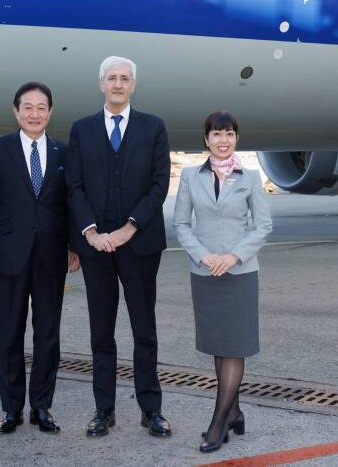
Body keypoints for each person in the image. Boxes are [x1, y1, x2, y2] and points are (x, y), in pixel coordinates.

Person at [67, 56, 172, 438]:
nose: (117, 84)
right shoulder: (81, 130)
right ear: (100, 84)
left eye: (124, 78)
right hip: (96, 247)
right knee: (101, 333)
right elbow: (74, 186)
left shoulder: (153, 128)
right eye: (111, 78)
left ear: (133, 85)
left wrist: (130, 227)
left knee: (145, 331)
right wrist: (91, 233)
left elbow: (160, 184)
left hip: (140, 245)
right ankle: (103, 411)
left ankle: (151, 410)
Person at [0, 82, 80, 435]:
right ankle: (10, 409)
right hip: (9, 254)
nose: (34, 114)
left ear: (50, 112)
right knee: (9, 334)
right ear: (16, 111)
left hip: (51, 256)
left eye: (41, 108)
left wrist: (74, 246)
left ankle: (41, 406)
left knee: (48, 334)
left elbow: (70, 206)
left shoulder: (63, 152)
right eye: (28, 107)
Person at [173, 111, 272, 453]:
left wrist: (233, 256)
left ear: (236, 138)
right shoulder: (189, 176)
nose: (223, 140)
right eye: (216, 134)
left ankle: (219, 423)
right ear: (206, 140)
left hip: (239, 273)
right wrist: (204, 256)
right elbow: (182, 224)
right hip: (205, 272)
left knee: (235, 345)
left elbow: (262, 225)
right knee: (219, 343)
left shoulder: (250, 177)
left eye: (228, 133)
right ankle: (236, 411)